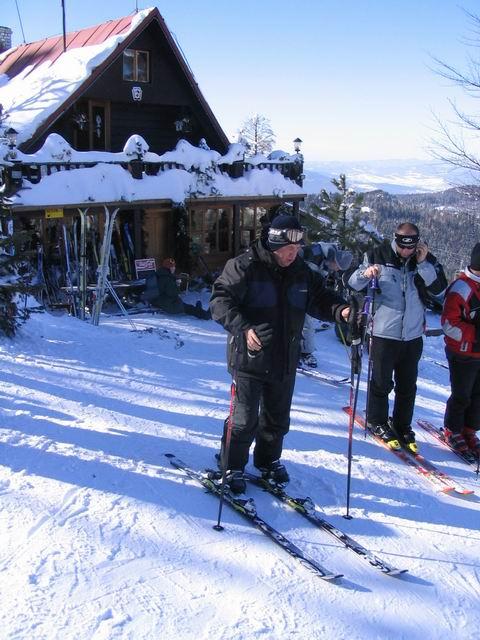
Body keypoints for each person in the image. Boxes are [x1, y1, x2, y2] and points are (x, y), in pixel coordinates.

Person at [209, 214, 355, 494]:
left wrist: (341, 310)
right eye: (288, 250)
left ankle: (268, 461)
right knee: (244, 419)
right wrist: (242, 328)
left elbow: (320, 298)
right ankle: (232, 464)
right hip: (248, 359)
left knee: (277, 418)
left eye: (297, 249)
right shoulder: (245, 266)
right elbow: (219, 300)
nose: (293, 254)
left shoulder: (301, 271)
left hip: (285, 357)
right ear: (274, 244)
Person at [348, 222, 447, 453]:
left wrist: (423, 264)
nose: (406, 251)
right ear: (396, 239)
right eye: (403, 246)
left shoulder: (425, 259)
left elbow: (440, 291)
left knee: (407, 386)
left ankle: (402, 425)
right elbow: (353, 282)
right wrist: (366, 273)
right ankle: (377, 420)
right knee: (381, 382)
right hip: (384, 332)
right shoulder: (377, 255)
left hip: (412, 334)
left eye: (411, 247)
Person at [441, 243, 480, 456]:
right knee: (462, 395)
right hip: (463, 353)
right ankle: (453, 429)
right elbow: (449, 324)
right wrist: (475, 337)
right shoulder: (461, 288)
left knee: (478, 397)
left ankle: (469, 430)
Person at [300, 243, 353, 368]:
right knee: (305, 322)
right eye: (337, 267)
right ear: (335, 260)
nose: (336, 270)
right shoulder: (315, 255)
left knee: (305, 323)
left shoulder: (326, 255)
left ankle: (302, 351)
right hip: (300, 293)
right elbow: (309, 280)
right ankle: (304, 353)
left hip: (305, 293)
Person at [143, 258, 210, 319]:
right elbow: (173, 293)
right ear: (169, 268)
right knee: (188, 308)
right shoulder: (167, 278)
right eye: (173, 267)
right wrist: (177, 285)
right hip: (169, 305)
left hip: (157, 302)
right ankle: (205, 315)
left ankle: (198, 309)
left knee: (187, 306)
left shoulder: (158, 275)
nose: (174, 268)